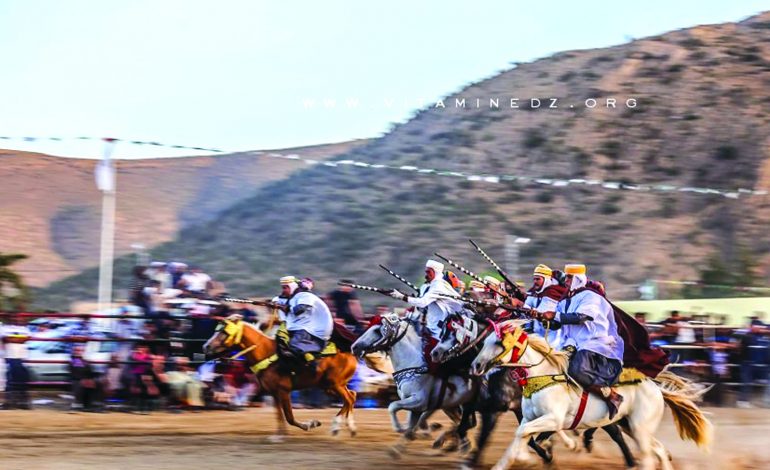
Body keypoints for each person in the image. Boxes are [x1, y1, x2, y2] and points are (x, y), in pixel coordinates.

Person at [539, 264, 625, 419]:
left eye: (570, 277)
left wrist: (553, 315)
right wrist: (541, 317)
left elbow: (581, 317)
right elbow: (557, 323)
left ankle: (611, 394)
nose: (567, 280)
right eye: (566, 277)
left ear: (579, 278)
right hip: (573, 343)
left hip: (595, 343)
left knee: (576, 371)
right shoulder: (565, 300)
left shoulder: (590, 296)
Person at [276, 276, 334, 374]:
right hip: (302, 327)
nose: (284, 290)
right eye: (283, 288)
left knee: (294, 345)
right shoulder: (294, 297)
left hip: (312, 329)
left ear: (292, 286)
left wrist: (285, 307)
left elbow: (300, 310)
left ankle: (312, 364)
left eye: (285, 287)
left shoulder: (305, 296)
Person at [523, 264, 567, 347]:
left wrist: (519, 304)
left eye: (538, 279)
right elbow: (526, 305)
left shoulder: (552, 292)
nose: (535, 282)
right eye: (534, 279)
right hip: (537, 335)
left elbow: (542, 313)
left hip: (553, 339)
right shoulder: (536, 291)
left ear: (547, 280)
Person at [0, 313, 31, 409]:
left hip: (22, 357)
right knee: (10, 380)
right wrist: (19, 338)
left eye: (18, 317)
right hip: (10, 356)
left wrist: (13, 339)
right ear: (10, 318)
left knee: (22, 380)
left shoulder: (25, 329)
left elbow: (26, 339)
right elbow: (6, 338)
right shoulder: (4, 328)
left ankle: (23, 403)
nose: (16, 319)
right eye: (14, 317)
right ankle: (9, 403)